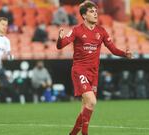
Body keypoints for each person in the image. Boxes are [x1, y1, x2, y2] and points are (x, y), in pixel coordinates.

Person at [56, 1, 132, 135]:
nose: (95, 13)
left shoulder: (101, 31)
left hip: (94, 73)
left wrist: (124, 54)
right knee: (92, 101)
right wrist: (59, 39)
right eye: (91, 11)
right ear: (84, 16)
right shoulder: (77, 30)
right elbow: (61, 45)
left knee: (86, 107)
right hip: (80, 70)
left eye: (96, 11)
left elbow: (112, 49)